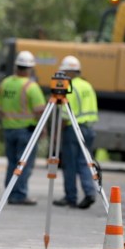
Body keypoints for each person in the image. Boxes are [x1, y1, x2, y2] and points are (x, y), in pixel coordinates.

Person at [0, 50, 46, 205]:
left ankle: (9, 193)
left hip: (9, 130)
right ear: (30, 69)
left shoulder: (5, 83)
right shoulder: (31, 86)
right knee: (24, 164)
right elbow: (39, 111)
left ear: (16, 67)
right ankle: (19, 195)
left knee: (11, 163)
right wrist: (43, 130)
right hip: (26, 131)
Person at [53, 55, 98, 209]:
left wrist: (57, 133)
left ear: (69, 71)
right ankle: (89, 192)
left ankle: (70, 196)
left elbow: (65, 115)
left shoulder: (70, 87)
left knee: (70, 164)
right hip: (89, 128)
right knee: (85, 162)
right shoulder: (87, 85)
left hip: (73, 129)